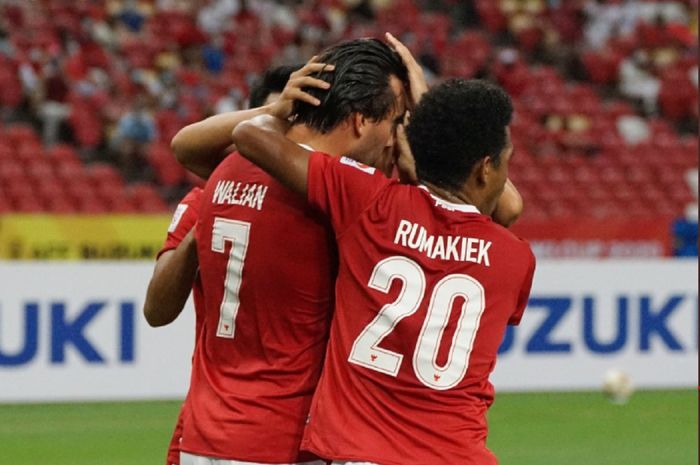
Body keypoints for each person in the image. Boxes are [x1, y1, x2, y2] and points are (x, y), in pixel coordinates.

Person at [230, 78, 536, 465]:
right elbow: (503, 211)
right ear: (485, 168)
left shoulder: (369, 201)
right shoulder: (515, 258)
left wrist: (278, 109)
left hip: (359, 452)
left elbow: (251, 138)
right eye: (506, 161)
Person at [174, 38, 410, 465]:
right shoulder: (341, 197)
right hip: (282, 439)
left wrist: (270, 111)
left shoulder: (230, 166)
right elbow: (494, 209)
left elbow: (185, 146)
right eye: (394, 121)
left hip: (206, 436)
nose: (395, 139)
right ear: (359, 121)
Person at [142, 63, 305, 465]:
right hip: (213, 424)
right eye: (271, 125)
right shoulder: (205, 199)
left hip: (292, 428)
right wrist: (207, 223)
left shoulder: (321, 201)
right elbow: (157, 310)